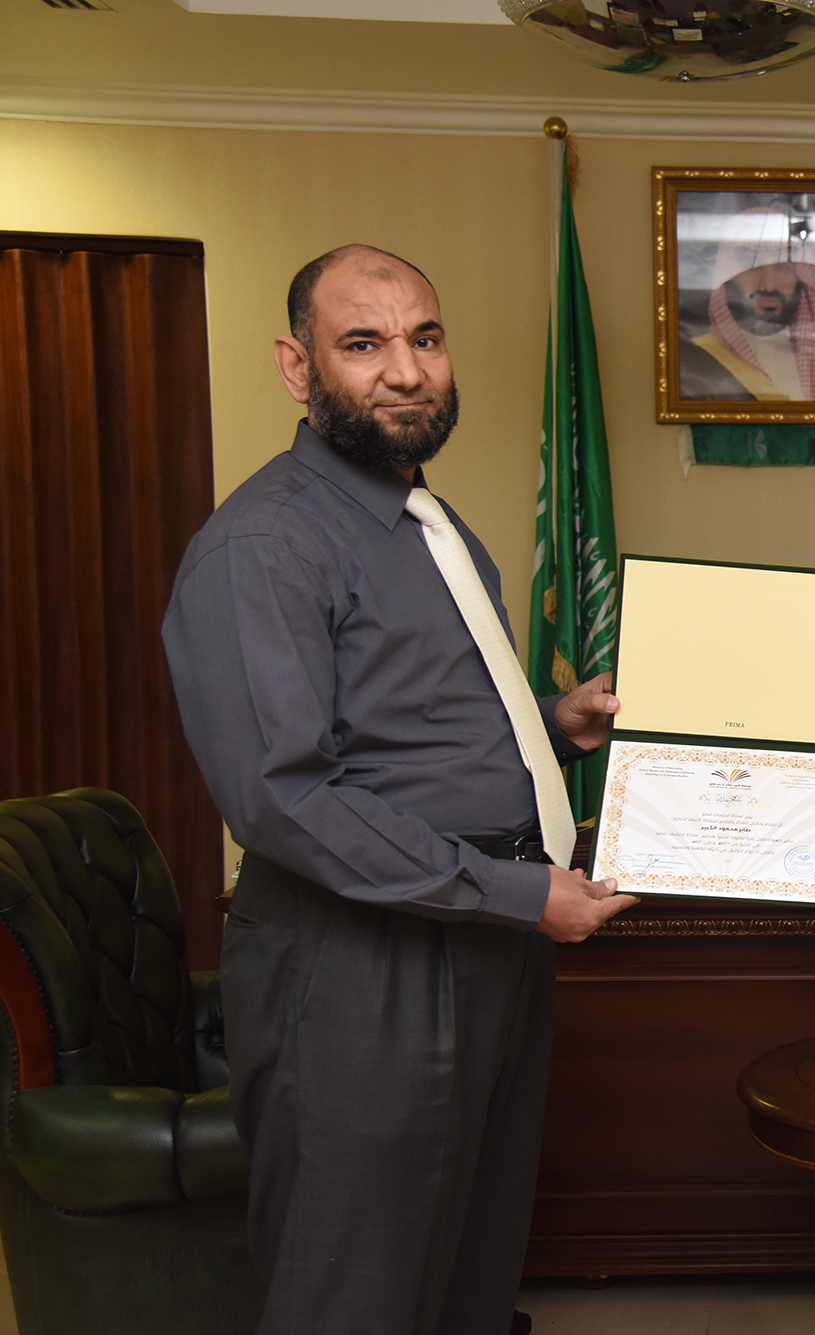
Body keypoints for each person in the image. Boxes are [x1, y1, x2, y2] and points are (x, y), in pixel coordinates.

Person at [162, 244, 637, 1335]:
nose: (407, 370)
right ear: (298, 367)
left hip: (486, 943)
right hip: (361, 967)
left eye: (425, 338)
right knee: (357, 1295)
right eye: (363, 344)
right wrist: (521, 894)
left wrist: (553, 727)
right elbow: (286, 799)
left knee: (470, 1276)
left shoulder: (430, 523)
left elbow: (412, 733)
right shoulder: (264, 544)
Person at [679, 205, 815, 402]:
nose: (768, 285)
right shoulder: (697, 359)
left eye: (783, 268)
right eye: (753, 266)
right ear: (729, 272)